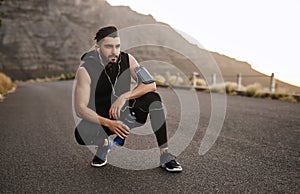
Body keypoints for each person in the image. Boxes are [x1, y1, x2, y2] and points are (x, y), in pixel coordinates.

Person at [74, 26, 182, 172]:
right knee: (81, 134)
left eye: (117, 46)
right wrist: (110, 124)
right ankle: (104, 144)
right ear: (98, 47)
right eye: (109, 47)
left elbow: (150, 84)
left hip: (126, 111)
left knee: (153, 98)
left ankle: (165, 155)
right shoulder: (85, 70)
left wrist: (125, 96)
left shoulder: (128, 59)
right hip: (103, 118)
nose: (114, 51)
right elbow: (81, 109)